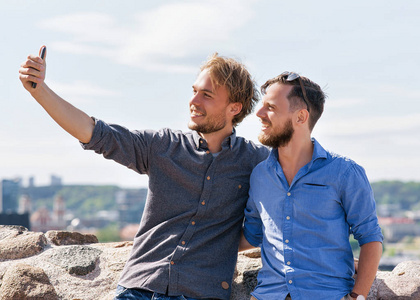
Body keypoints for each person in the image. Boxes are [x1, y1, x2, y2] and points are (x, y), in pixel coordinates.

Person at [19, 46, 269, 300]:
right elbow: (94, 133)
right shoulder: (163, 146)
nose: (193, 101)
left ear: (234, 108)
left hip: (201, 293)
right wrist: (40, 91)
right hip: (137, 290)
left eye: (206, 95)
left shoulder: (256, 161)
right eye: (194, 91)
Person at [239, 72, 383, 300]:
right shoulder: (260, 175)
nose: (259, 114)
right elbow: (252, 235)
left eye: (271, 107)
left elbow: (371, 239)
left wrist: (358, 297)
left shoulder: (345, 173)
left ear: (301, 117)